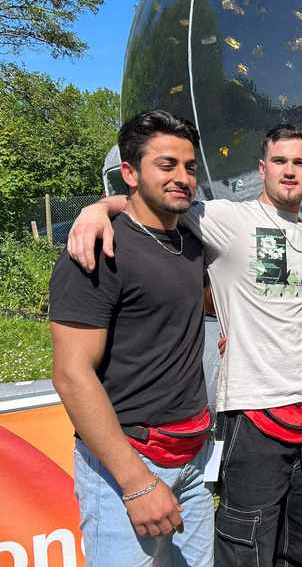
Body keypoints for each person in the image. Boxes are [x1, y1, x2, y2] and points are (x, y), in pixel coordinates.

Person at [67, 124, 302, 567]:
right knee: (247, 542)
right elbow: (150, 203)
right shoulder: (227, 219)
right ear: (262, 168)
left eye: (300, 163)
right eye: (280, 161)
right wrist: (97, 209)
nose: (290, 171)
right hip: (254, 409)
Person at [50, 109, 214, 565]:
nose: (182, 177)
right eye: (166, 165)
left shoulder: (190, 242)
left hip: (193, 460)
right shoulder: (98, 251)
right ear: (129, 172)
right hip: (129, 461)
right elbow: (71, 374)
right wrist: (135, 482)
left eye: (189, 166)